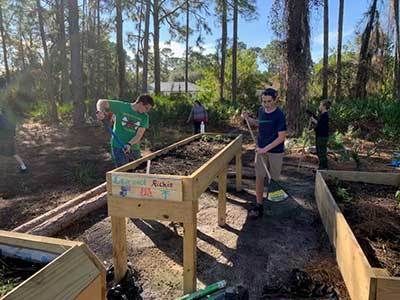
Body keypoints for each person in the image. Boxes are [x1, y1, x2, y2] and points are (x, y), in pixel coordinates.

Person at [241, 88, 287, 219]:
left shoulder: (279, 115)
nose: (266, 104)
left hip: (275, 153)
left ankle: (273, 204)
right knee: (259, 178)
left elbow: (281, 137)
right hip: (261, 151)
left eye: (269, 101)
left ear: (275, 99)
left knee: (274, 180)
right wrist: (248, 119)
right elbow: (259, 124)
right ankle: (259, 205)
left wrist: (265, 149)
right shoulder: (261, 110)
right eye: (264, 101)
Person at [96, 94, 154, 167]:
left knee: (137, 171)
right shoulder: (122, 107)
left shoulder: (144, 117)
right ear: (141, 103)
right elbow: (101, 102)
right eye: (146, 108)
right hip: (118, 146)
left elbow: (139, 135)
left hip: (134, 148)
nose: (147, 111)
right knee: (123, 172)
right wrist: (100, 111)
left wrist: (129, 144)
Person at [0, 108, 28, 173]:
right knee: (14, 154)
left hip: (3, 140)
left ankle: (23, 167)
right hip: (10, 138)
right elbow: (14, 130)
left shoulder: (1, 118)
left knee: (13, 153)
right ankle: (23, 167)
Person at [308, 100, 331, 170]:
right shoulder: (323, 115)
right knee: (319, 151)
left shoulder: (325, 115)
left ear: (324, 106)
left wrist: (311, 131)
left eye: (320, 105)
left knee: (321, 152)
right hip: (320, 136)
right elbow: (319, 122)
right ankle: (322, 167)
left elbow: (320, 126)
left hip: (322, 136)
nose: (319, 106)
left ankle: (323, 167)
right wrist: (313, 118)